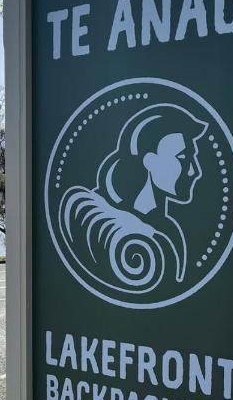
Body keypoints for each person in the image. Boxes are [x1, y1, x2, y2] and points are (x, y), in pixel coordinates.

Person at [58, 104, 207, 296]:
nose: (195, 171)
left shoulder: (168, 232)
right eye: (183, 158)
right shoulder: (96, 213)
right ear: (150, 161)